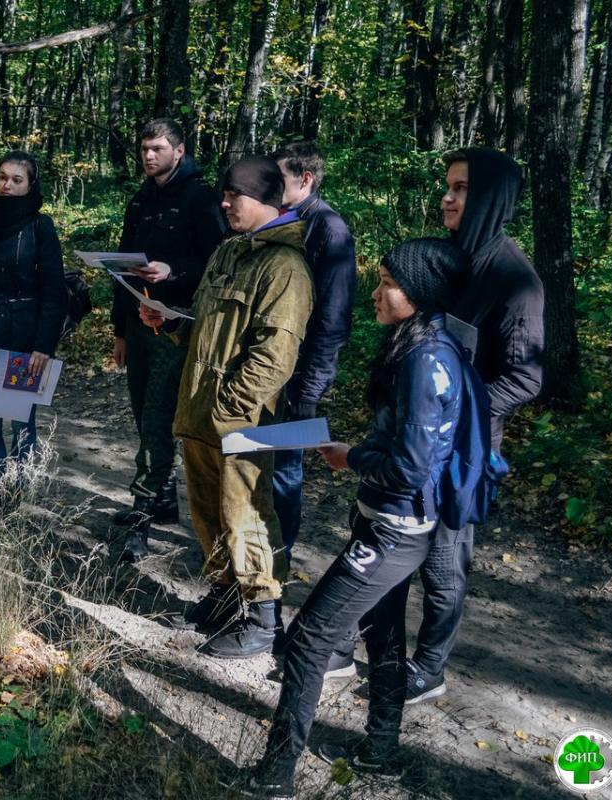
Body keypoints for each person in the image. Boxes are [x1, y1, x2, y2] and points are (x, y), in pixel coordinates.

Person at [241, 238, 476, 799]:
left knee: (305, 642)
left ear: (417, 294)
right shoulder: (421, 344)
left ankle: (274, 777)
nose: (376, 292)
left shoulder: (425, 359)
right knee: (384, 639)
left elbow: (414, 467)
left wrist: (353, 458)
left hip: (394, 532)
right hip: (391, 523)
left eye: (388, 283)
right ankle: (380, 755)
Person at [139, 156, 312, 657]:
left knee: (247, 514)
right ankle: (223, 595)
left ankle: (262, 616)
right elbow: (208, 333)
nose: (224, 202)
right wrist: (171, 323)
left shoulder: (286, 267)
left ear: (261, 199)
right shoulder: (229, 252)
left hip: (241, 421)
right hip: (200, 413)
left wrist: (229, 411)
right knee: (207, 510)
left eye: (233, 195)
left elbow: (274, 357)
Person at [405, 148, 544, 704]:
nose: (448, 196)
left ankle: (430, 667)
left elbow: (525, 380)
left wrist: (456, 412)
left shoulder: (515, 280)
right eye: (448, 186)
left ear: (490, 197)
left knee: (443, 557)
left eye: (461, 188)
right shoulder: (450, 258)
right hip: (416, 435)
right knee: (390, 536)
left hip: (463, 449)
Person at [110, 118, 229, 562]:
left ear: (179, 152)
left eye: (158, 148)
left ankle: (141, 519)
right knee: (144, 414)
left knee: (159, 420)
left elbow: (216, 263)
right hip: (139, 324)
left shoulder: (201, 198)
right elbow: (122, 265)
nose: (148, 155)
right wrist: (119, 331)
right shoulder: (141, 198)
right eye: (144, 148)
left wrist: (171, 270)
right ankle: (162, 500)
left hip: (178, 327)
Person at [269, 142, 359, 673]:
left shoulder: (328, 229)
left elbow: (333, 317)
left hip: (300, 379)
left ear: (304, 179)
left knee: (285, 473)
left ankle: (276, 574)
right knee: (267, 466)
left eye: (278, 177)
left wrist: (312, 383)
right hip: (275, 373)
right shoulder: (286, 220)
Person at [0, 151, 66, 496]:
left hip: (24, 339)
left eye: (16, 179)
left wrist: (43, 346)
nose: (7, 184)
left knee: (20, 424)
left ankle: (18, 494)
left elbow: (54, 290)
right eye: (2, 177)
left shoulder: (39, 225)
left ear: (30, 185)